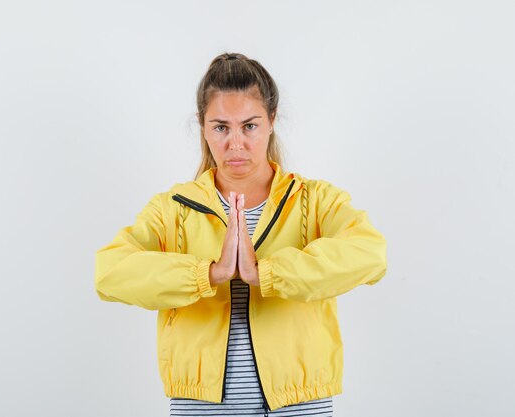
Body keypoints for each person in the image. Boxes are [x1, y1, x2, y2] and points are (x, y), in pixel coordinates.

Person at [95, 52, 387, 417]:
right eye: (221, 127)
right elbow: (109, 272)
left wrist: (264, 274)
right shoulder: (174, 209)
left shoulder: (314, 201)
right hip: (202, 407)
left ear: (271, 121)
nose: (235, 144)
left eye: (249, 126)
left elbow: (371, 254)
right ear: (202, 126)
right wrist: (209, 273)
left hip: (299, 406)